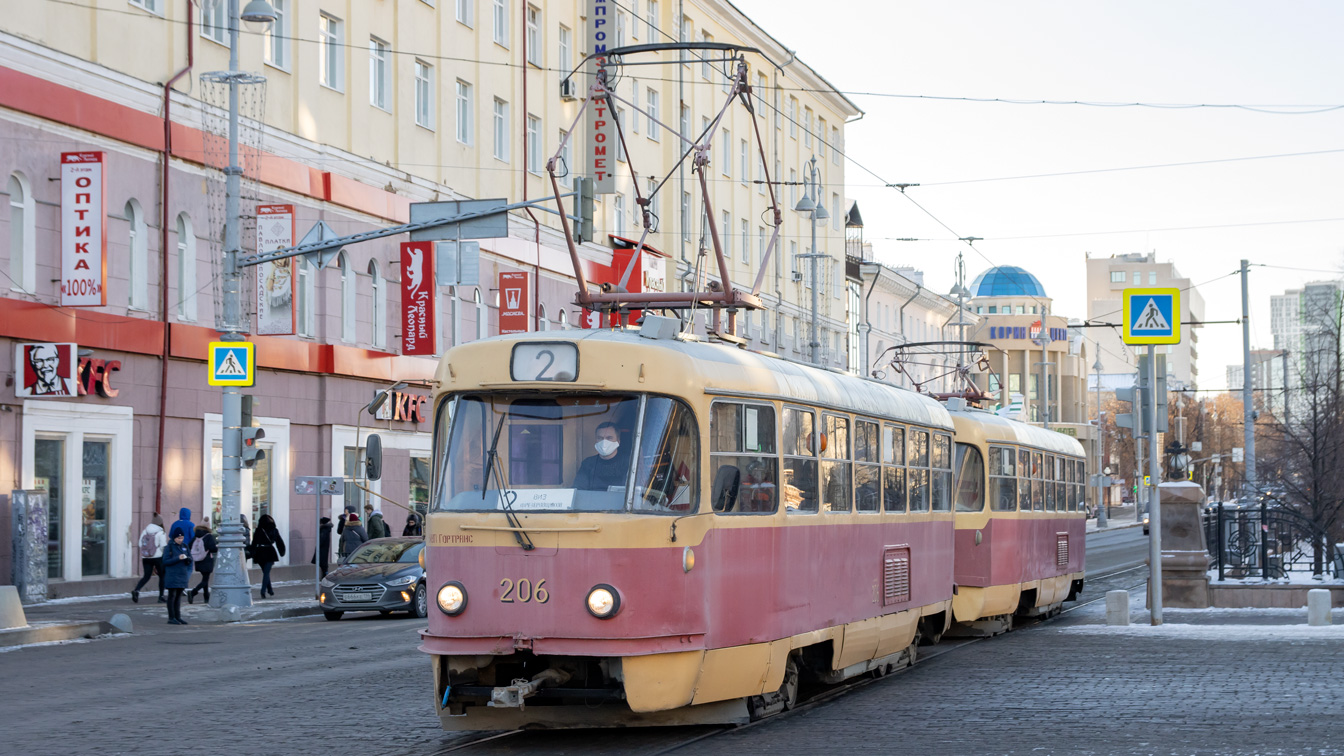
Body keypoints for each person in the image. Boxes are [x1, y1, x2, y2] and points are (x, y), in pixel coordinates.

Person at [574, 422, 629, 491]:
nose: (604, 442)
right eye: (600, 438)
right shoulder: (588, 463)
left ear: (618, 441)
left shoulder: (628, 463)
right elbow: (579, 489)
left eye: (609, 438)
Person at [131, 513, 167, 604]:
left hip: (146, 557)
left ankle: (136, 590)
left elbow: (140, 544)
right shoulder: (161, 532)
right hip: (158, 557)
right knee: (162, 576)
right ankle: (161, 596)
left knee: (146, 576)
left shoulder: (145, 531)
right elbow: (163, 546)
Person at [249, 514, 285, 598]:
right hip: (270, 552)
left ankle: (268, 590)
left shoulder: (258, 530)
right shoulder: (274, 530)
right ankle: (264, 590)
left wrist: (251, 552)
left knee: (265, 572)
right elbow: (279, 542)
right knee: (266, 572)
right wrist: (282, 551)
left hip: (260, 552)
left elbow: (254, 542)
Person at [161, 531, 192, 625]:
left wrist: (188, 559)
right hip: (172, 574)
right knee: (172, 596)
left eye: (182, 538)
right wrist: (178, 558)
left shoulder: (185, 546)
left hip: (182, 574)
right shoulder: (169, 547)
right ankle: (171, 617)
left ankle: (178, 617)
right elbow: (165, 561)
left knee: (178, 596)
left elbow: (190, 558)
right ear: (174, 538)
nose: (180, 540)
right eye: (178, 538)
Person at [188, 524, 218, 604]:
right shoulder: (208, 536)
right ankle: (193, 592)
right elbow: (213, 548)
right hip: (206, 560)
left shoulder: (196, 537)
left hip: (198, 560)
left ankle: (206, 597)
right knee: (205, 580)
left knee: (205, 579)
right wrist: (217, 547)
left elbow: (189, 546)